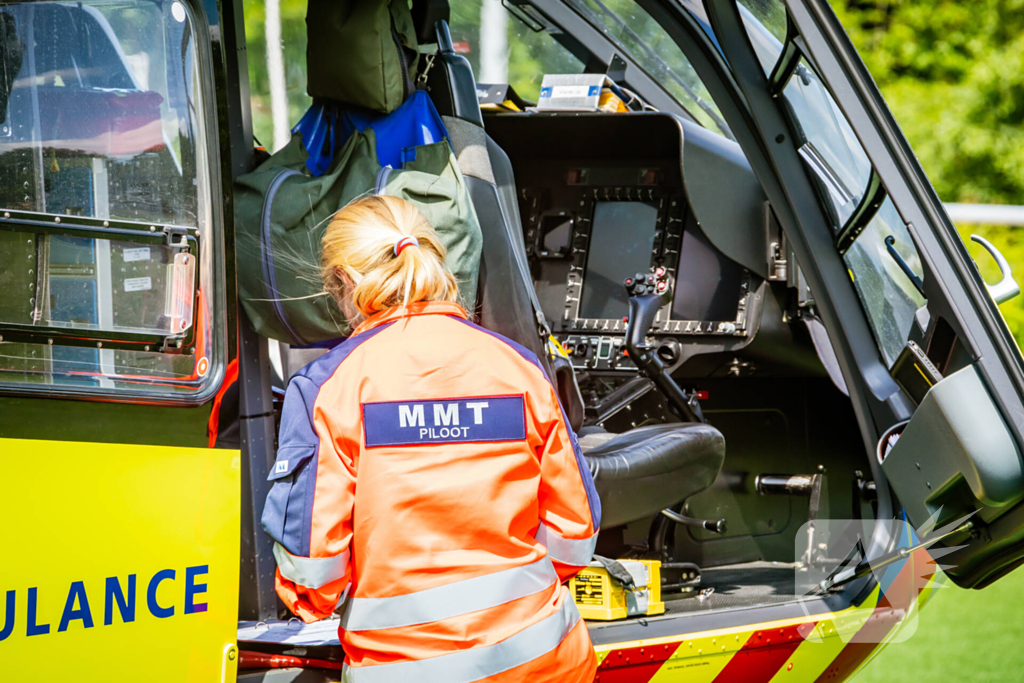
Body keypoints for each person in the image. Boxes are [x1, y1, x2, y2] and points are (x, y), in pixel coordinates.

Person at [261, 195, 600, 683]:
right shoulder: (519, 368)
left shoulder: (327, 388)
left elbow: (314, 573)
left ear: (345, 282)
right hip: (548, 663)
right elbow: (575, 536)